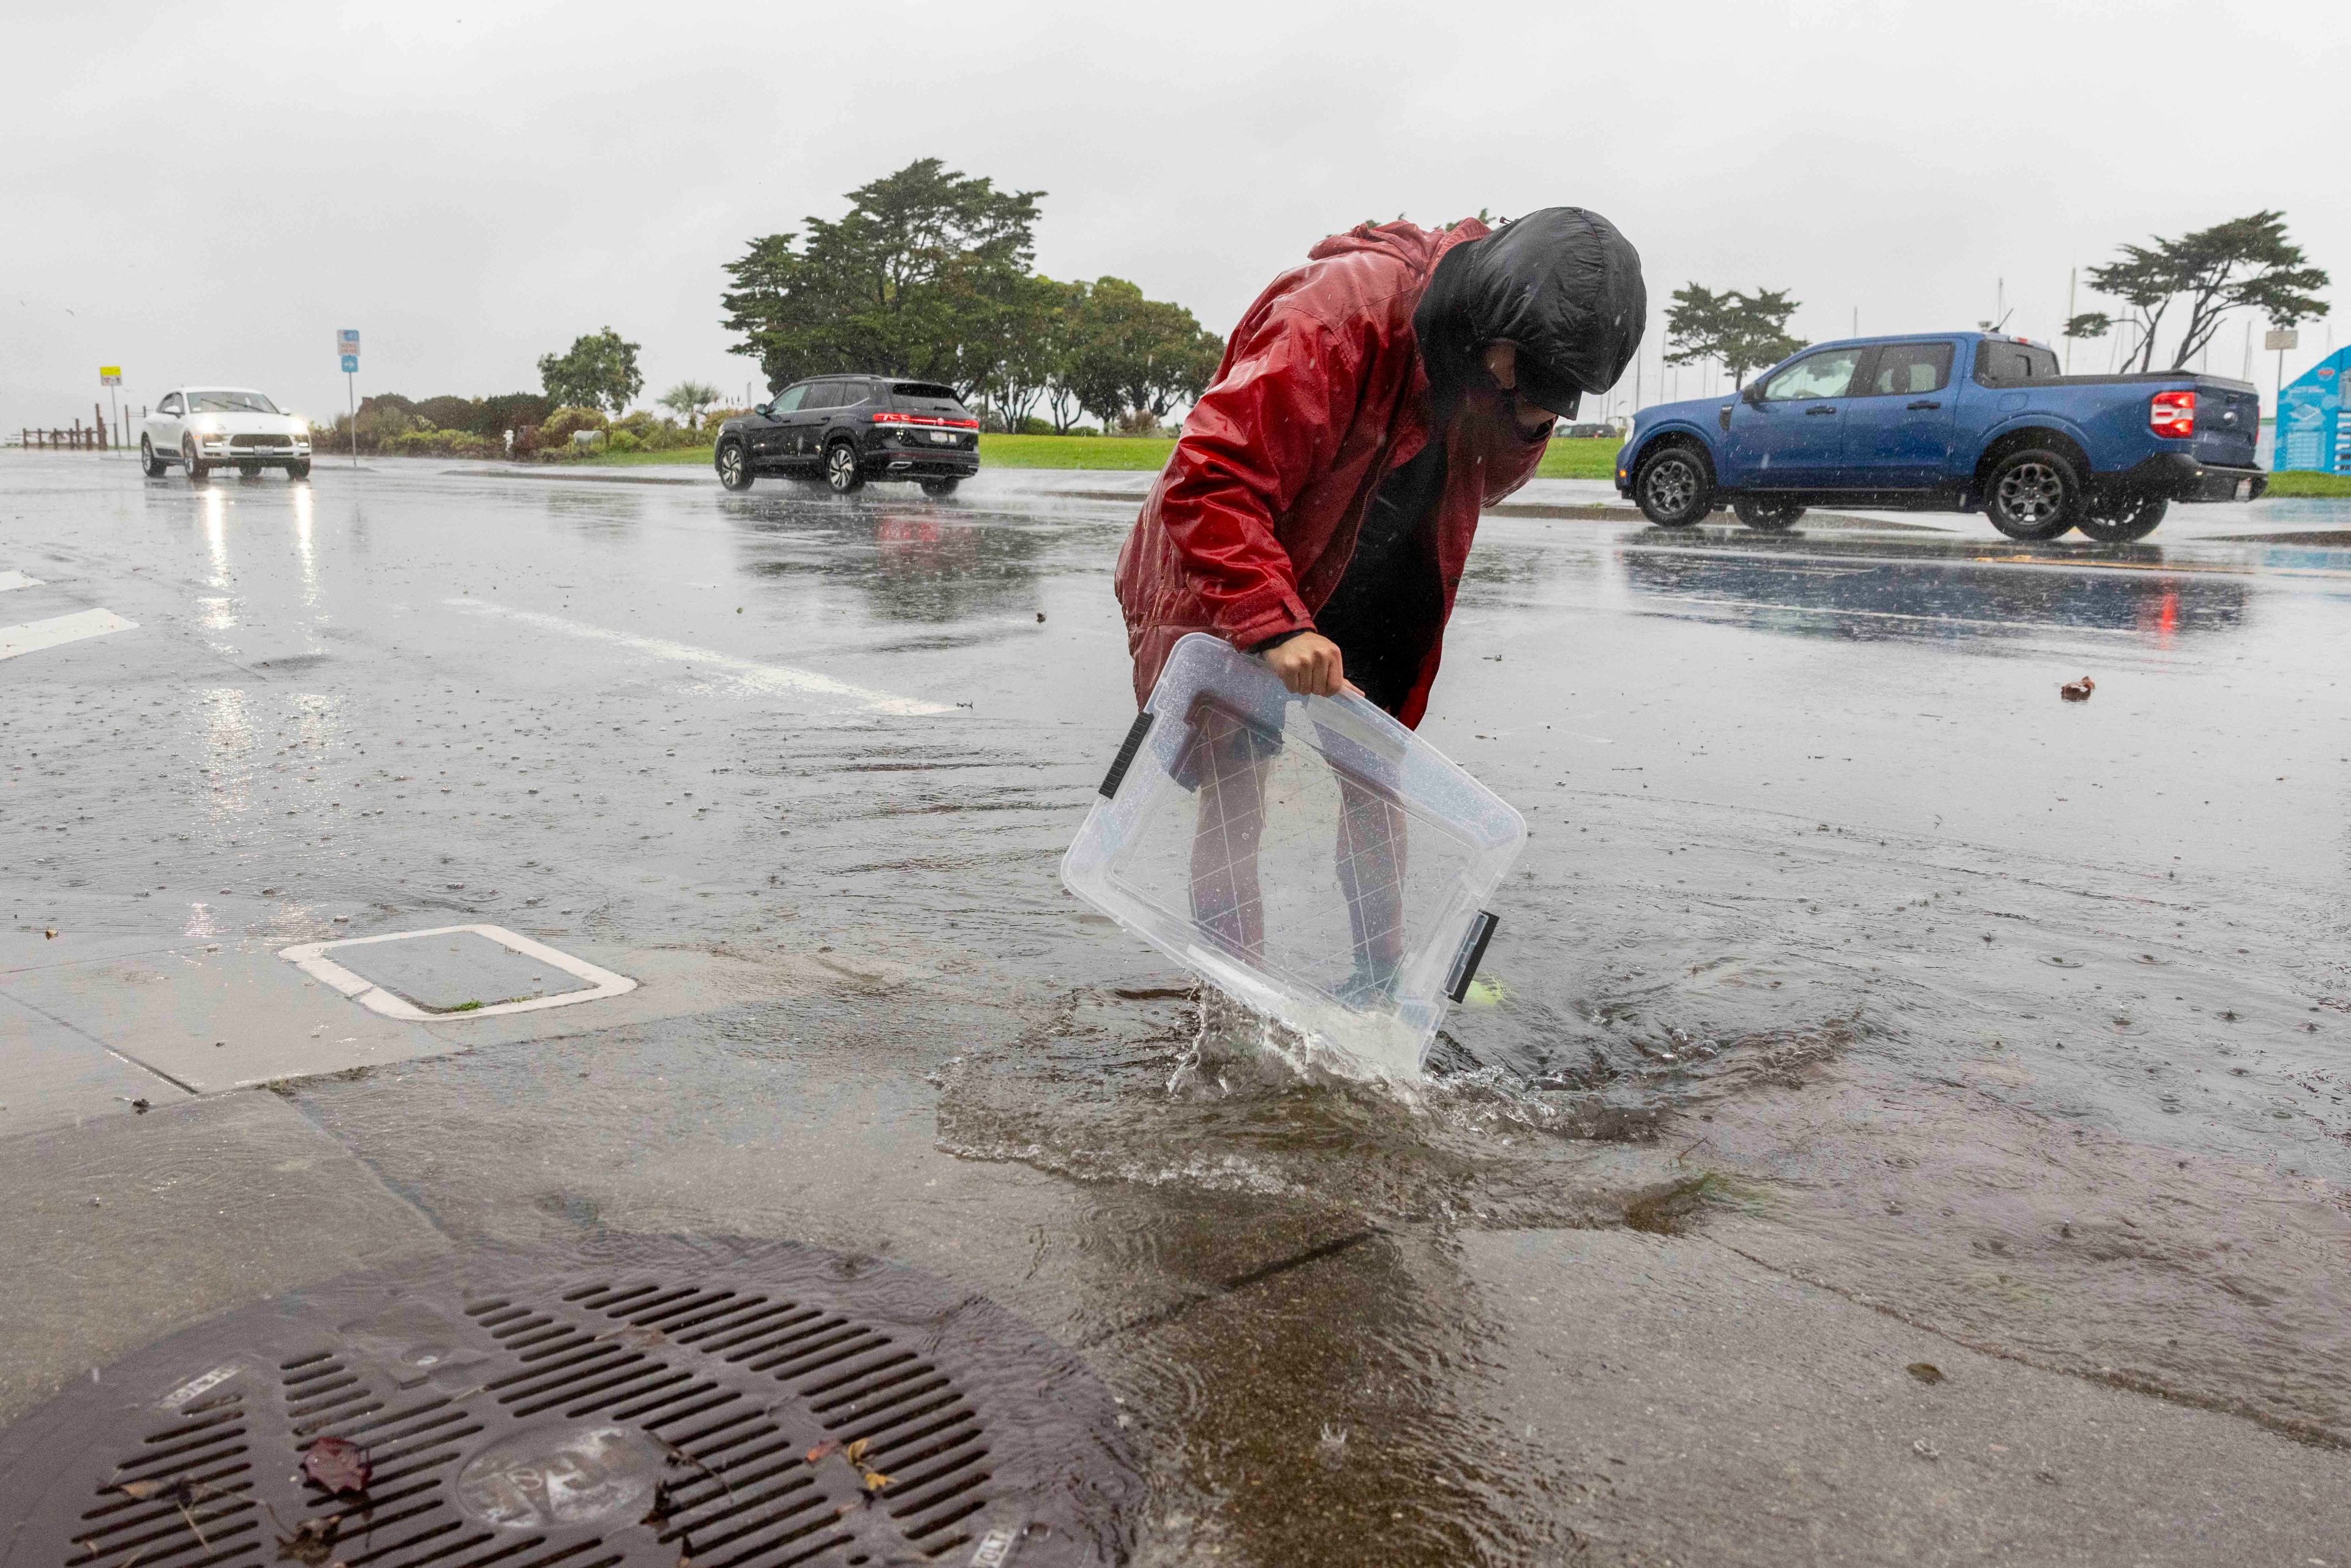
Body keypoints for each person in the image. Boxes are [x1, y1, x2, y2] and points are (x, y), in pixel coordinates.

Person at [1114, 208, 1645, 1001]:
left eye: (1558, 394)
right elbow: (1210, 478)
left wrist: (1524, 424)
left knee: (1374, 773)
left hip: (1383, 560)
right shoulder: (1339, 313)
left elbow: (1489, 480)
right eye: (1528, 375)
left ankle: (1381, 982)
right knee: (1237, 783)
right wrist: (1276, 622)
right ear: (1495, 318)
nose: (1534, 396)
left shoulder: (1492, 369)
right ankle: (1234, 1005)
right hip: (1253, 562)